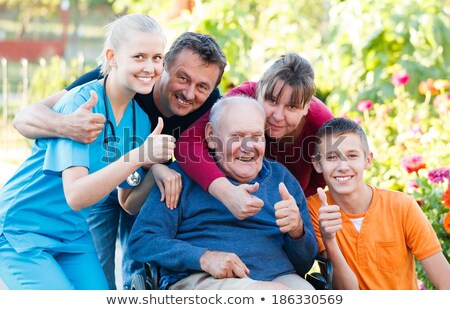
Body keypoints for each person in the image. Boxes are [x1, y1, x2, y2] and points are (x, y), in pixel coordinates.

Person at [12, 32, 227, 289]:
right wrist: (68, 125)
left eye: (203, 86)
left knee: (139, 268)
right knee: (98, 272)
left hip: (144, 182)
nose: (189, 93)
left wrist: (155, 166)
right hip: (97, 180)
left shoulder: (211, 104)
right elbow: (24, 119)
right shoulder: (118, 80)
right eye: (182, 78)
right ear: (164, 67)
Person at [0, 14, 176, 289]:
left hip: (72, 234)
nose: (150, 67)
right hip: (23, 229)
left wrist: (156, 168)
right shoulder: (82, 103)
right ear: (112, 56)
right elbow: (77, 195)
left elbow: (127, 201)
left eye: (157, 57)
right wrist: (140, 156)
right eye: (139, 56)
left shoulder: (140, 120)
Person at [128, 96, 318, 290]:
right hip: (203, 278)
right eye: (237, 136)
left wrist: (297, 231)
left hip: (280, 278)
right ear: (211, 135)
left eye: (256, 137)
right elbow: (142, 240)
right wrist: (203, 258)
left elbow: (305, 263)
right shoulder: (179, 177)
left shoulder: (282, 179)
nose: (248, 147)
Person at [174, 53, 334, 220]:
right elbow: (188, 143)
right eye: (271, 100)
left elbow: (325, 179)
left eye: (292, 107)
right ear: (258, 91)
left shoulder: (321, 125)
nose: (278, 116)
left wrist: (297, 211)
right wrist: (227, 193)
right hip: (225, 199)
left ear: (307, 107)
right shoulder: (242, 99)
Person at [307, 117, 450, 290]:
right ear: (317, 164)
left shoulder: (402, 207)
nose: (343, 166)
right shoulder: (316, 210)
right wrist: (329, 239)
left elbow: (445, 281)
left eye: (352, 156)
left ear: (368, 160)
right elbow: (347, 294)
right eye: (331, 157)